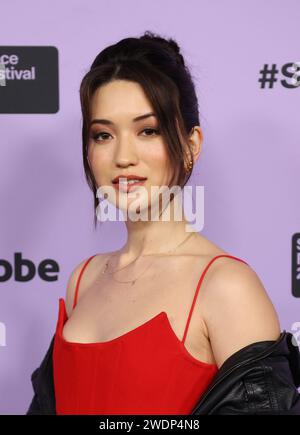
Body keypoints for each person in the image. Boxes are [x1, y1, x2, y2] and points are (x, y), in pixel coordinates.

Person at [27, 31, 300, 415]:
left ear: (191, 145)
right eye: (103, 134)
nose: (123, 156)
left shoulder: (226, 287)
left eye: (148, 131)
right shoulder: (82, 279)